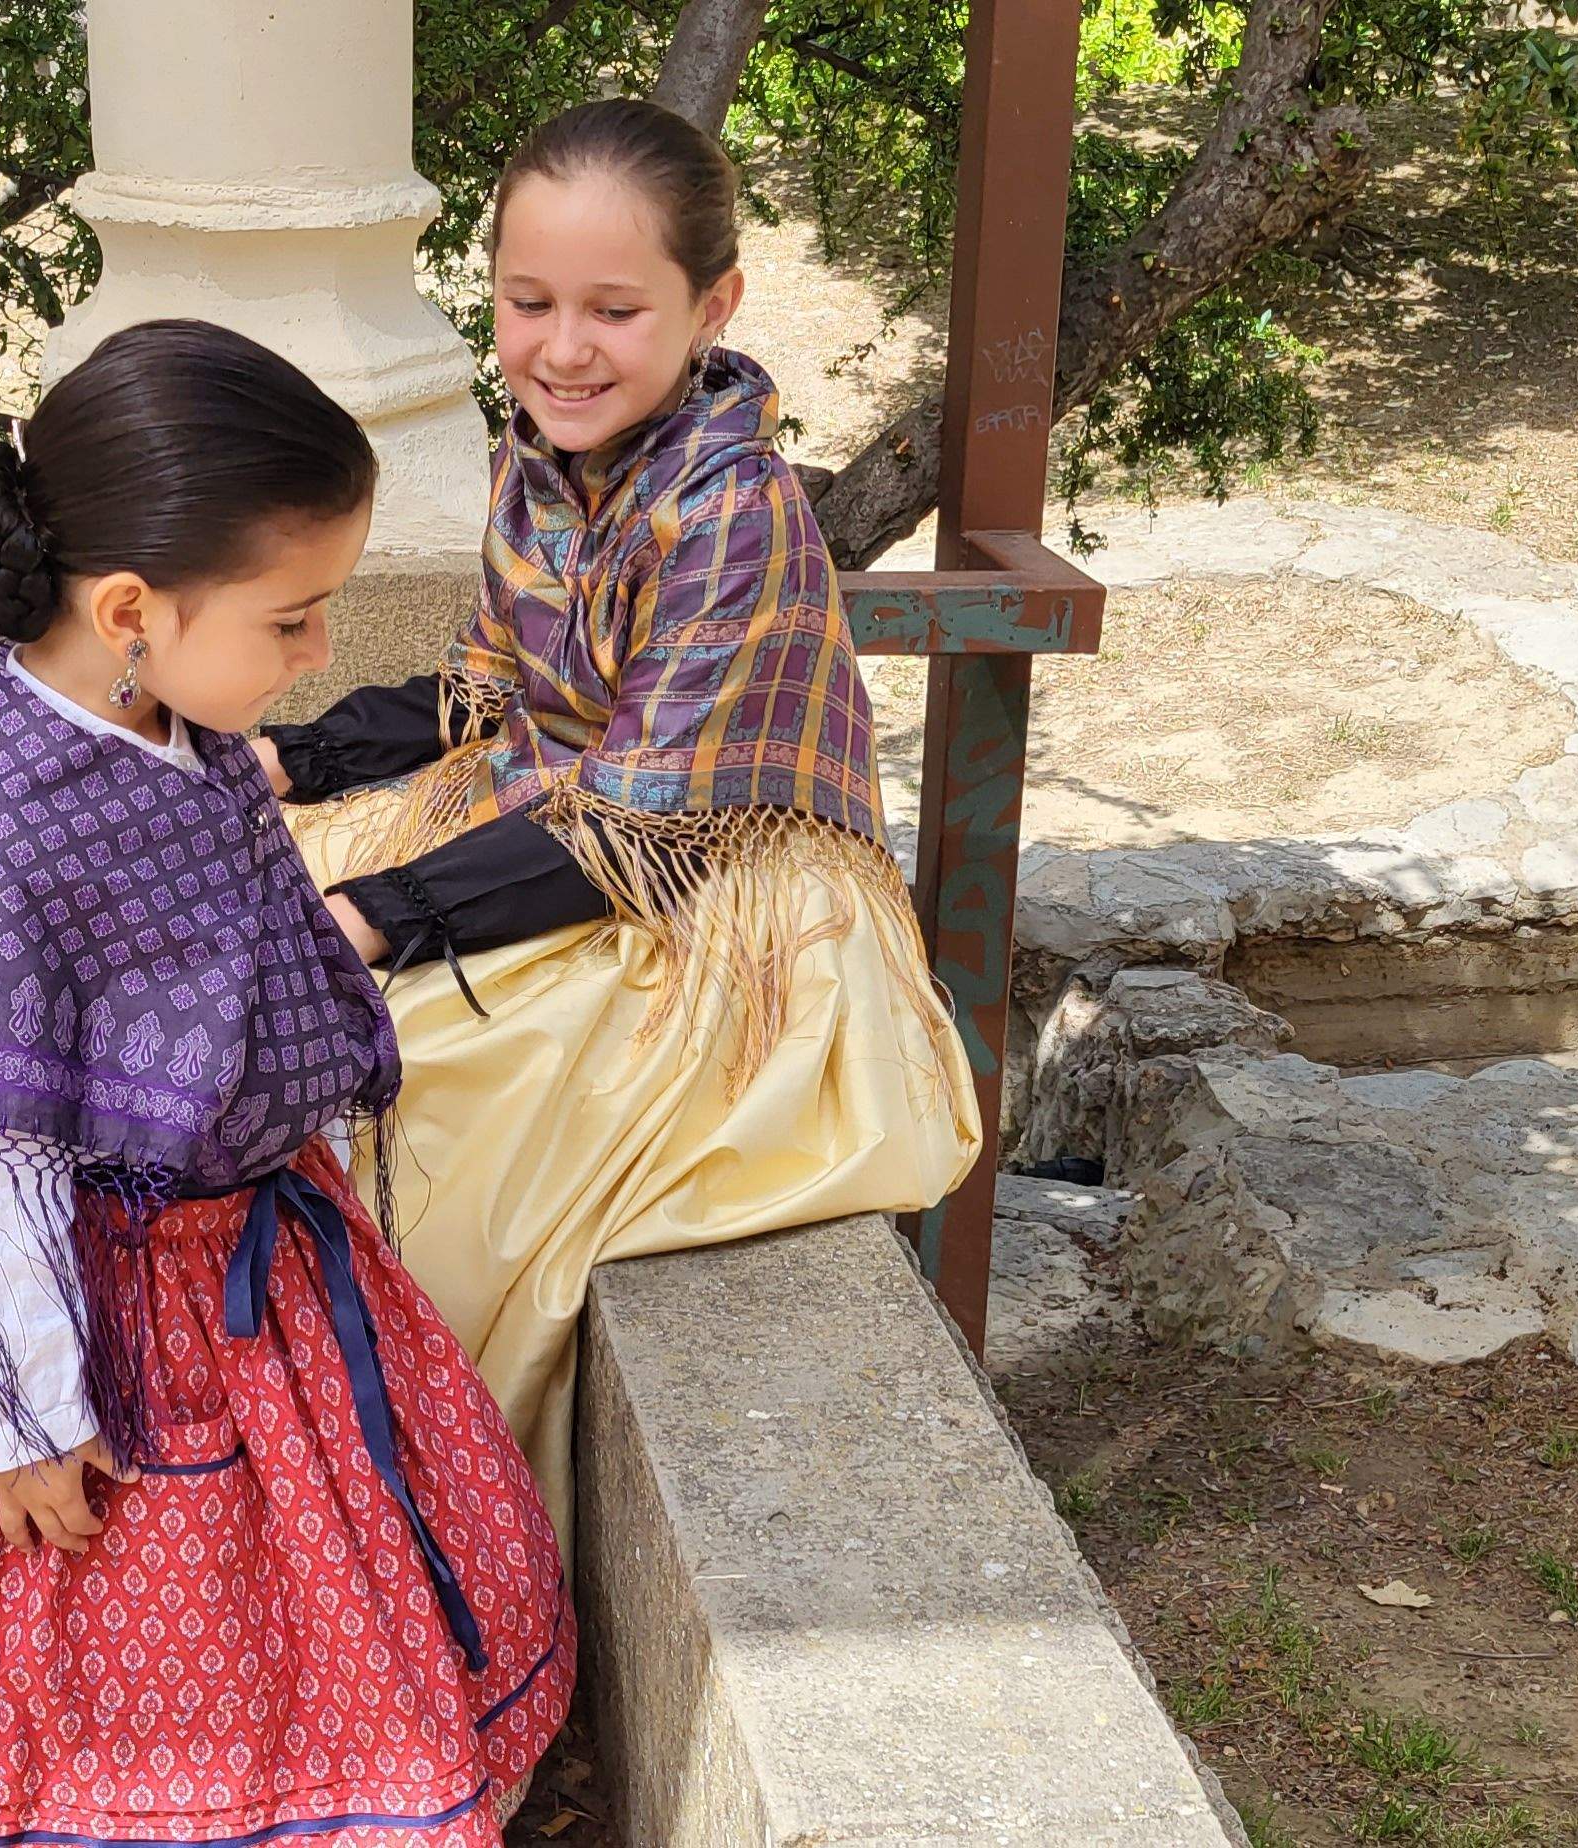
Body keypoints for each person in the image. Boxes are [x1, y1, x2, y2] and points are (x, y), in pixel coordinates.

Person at [0, 319, 571, 1847]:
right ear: (128, 608)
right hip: (111, 1332)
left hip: (247, 1266)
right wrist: (24, 1416)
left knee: (316, 1592)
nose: (316, 657)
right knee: (94, 1646)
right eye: (293, 620)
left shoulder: (173, 723)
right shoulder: (16, 830)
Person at [258, 97, 984, 1522]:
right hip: (556, 821)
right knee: (230, 886)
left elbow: (635, 824)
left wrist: (377, 917)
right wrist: (299, 756)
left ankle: (416, 1515)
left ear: (711, 303)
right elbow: (495, 695)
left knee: (428, 1078)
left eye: (612, 308)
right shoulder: (539, 465)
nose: (562, 348)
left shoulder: (735, 510)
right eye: (527, 303)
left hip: (715, 896)